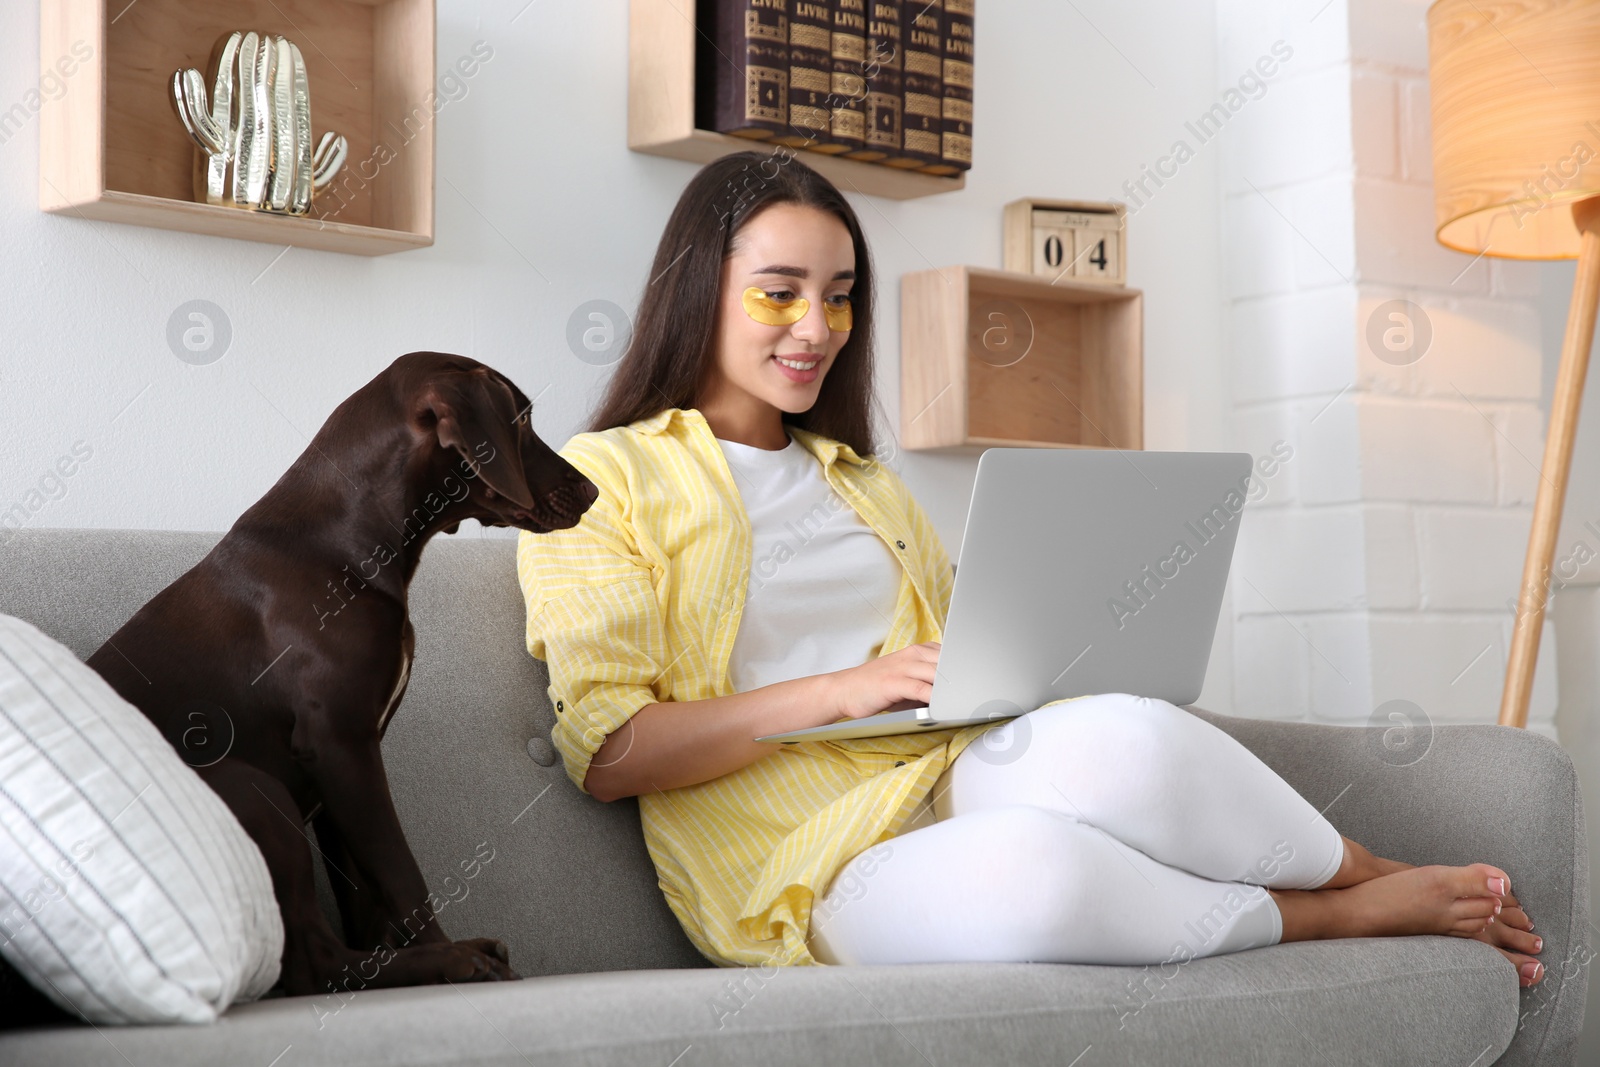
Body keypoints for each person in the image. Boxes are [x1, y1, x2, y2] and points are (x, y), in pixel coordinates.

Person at [515, 151, 1545, 987]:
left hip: (942, 772)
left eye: (838, 297)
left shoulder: (862, 483)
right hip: (804, 865)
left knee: (1131, 731)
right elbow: (611, 750)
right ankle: (1340, 914)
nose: (817, 329)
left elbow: (969, 653)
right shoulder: (592, 483)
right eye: (779, 294)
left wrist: (1042, 650)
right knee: (1039, 873)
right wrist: (838, 689)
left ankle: (1376, 867)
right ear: (700, 288)